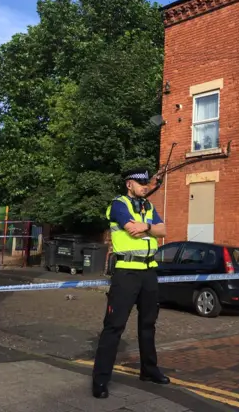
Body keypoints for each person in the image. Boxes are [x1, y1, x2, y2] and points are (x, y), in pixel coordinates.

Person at [92, 167, 170, 399]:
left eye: (146, 183)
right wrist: (149, 230)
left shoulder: (148, 207)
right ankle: (100, 380)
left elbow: (163, 231)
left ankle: (149, 370)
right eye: (140, 183)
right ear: (129, 184)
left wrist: (147, 227)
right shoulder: (119, 205)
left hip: (148, 271)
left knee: (148, 324)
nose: (145, 186)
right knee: (114, 327)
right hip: (126, 272)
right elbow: (130, 229)